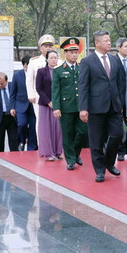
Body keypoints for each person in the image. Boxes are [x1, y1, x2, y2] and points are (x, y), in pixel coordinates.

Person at [79, 30, 126, 182]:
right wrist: (83, 108)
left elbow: (121, 84)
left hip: (114, 106)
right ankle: (100, 170)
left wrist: (122, 103)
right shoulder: (87, 61)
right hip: (96, 107)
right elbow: (83, 86)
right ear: (97, 43)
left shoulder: (115, 60)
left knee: (117, 135)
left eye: (109, 39)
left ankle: (109, 162)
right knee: (97, 141)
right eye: (105, 40)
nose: (109, 42)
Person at [51, 38, 87, 170]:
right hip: (66, 107)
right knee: (67, 134)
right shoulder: (58, 70)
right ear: (65, 53)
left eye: (76, 52)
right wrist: (56, 108)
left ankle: (75, 153)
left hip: (81, 107)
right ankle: (70, 160)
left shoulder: (82, 68)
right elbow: (55, 91)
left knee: (83, 132)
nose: (74, 54)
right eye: (71, 52)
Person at [26, 34, 56, 145]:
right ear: (40, 48)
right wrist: (31, 94)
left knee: (56, 121)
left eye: (50, 46)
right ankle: (42, 144)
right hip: (39, 96)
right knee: (41, 121)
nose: (48, 48)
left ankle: (55, 144)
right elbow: (29, 79)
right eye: (45, 46)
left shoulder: (58, 61)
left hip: (55, 96)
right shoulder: (34, 62)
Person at [35, 49, 64, 162]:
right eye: (51, 58)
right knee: (46, 129)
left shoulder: (60, 71)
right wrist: (48, 101)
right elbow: (39, 88)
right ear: (47, 59)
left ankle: (58, 151)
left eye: (55, 58)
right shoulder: (42, 71)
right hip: (46, 104)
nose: (53, 60)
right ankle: (48, 153)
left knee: (58, 128)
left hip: (58, 104)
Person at [13, 55, 37, 152]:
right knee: (21, 124)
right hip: (21, 105)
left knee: (33, 127)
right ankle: (22, 141)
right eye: (28, 66)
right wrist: (12, 107)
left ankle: (32, 147)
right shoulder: (17, 75)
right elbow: (12, 93)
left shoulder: (36, 74)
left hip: (34, 105)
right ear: (24, 66)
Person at [116, 37, 127, 161]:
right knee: (118, 128)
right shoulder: (113, 61)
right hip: (117, 100)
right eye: (125, 46)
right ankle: (120, 150)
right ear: (119, 48)